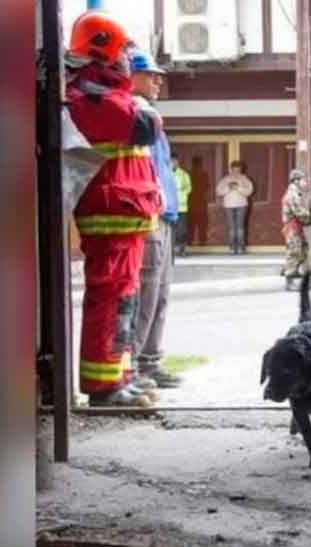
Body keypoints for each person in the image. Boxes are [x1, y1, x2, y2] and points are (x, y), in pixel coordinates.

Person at [65, 11, 163, 406]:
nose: (128, 57)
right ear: (102, 48)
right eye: (123, 49)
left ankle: (118, 375)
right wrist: (141, 105)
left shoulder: (106, 92)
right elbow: (143, 126)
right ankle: (103, 388)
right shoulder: (90, 95)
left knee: (124, 299)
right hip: (111, 216)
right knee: (109, 299)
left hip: (125, 215)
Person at [128, 49, 183, 391]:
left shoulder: (150, 116)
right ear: (132, 76)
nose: (158, 80)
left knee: (159, 294)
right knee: (145, 292)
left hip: (165, 218)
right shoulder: (133, 113)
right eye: (151, 74)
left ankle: (149, 361)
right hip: (149, 217)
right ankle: (132, 365)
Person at [280, 168, 311, 289]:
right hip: (292, 228)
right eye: (303, 179)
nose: (305, 182)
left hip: (296, 227)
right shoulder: (293, 194)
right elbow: (299, 211)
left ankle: (303, 276)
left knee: (303, 251)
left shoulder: (295, 193)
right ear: (296, 180)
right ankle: (289, 281)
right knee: (294, 253)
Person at [215, 160, 254, 254]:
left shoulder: (244, 179)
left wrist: (238, 188)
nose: (236, 171)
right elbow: (218, 192)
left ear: (241, 169)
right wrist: (228, 188)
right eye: (234, 169)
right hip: (228, 206)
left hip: (241, 205)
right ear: (231, 169)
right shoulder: (225, 179)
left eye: (238, 170)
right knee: (231, 227)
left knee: (240, 227)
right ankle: (232, 247)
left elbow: (249, 191)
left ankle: (240, 247)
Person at [172, 154, 192, 257]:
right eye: (171, 161)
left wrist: (181, 194)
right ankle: (171, 250)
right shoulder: (165, 173)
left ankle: (182, 249)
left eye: (175, 161)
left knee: (182, 230)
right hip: (169, 207)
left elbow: (189, 188)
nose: (173, 163)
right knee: (170, 230)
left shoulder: (184, 174)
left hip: (181, 207)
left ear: (178, 162)